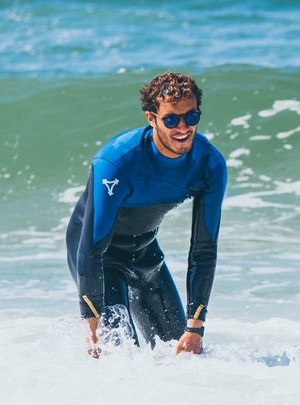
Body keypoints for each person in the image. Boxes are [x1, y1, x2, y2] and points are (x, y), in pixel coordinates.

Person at [65, 72, 227, 357]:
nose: (183, 128)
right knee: (118, 359)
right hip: (98, 259)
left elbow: (203, 249)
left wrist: (195, 327)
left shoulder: (209, 164)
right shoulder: (117, 162)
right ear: (151, 118)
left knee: (185, 358)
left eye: (191, 117)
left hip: (144, 254)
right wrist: (92, 327)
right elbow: (91, 248)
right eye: (171, 119)